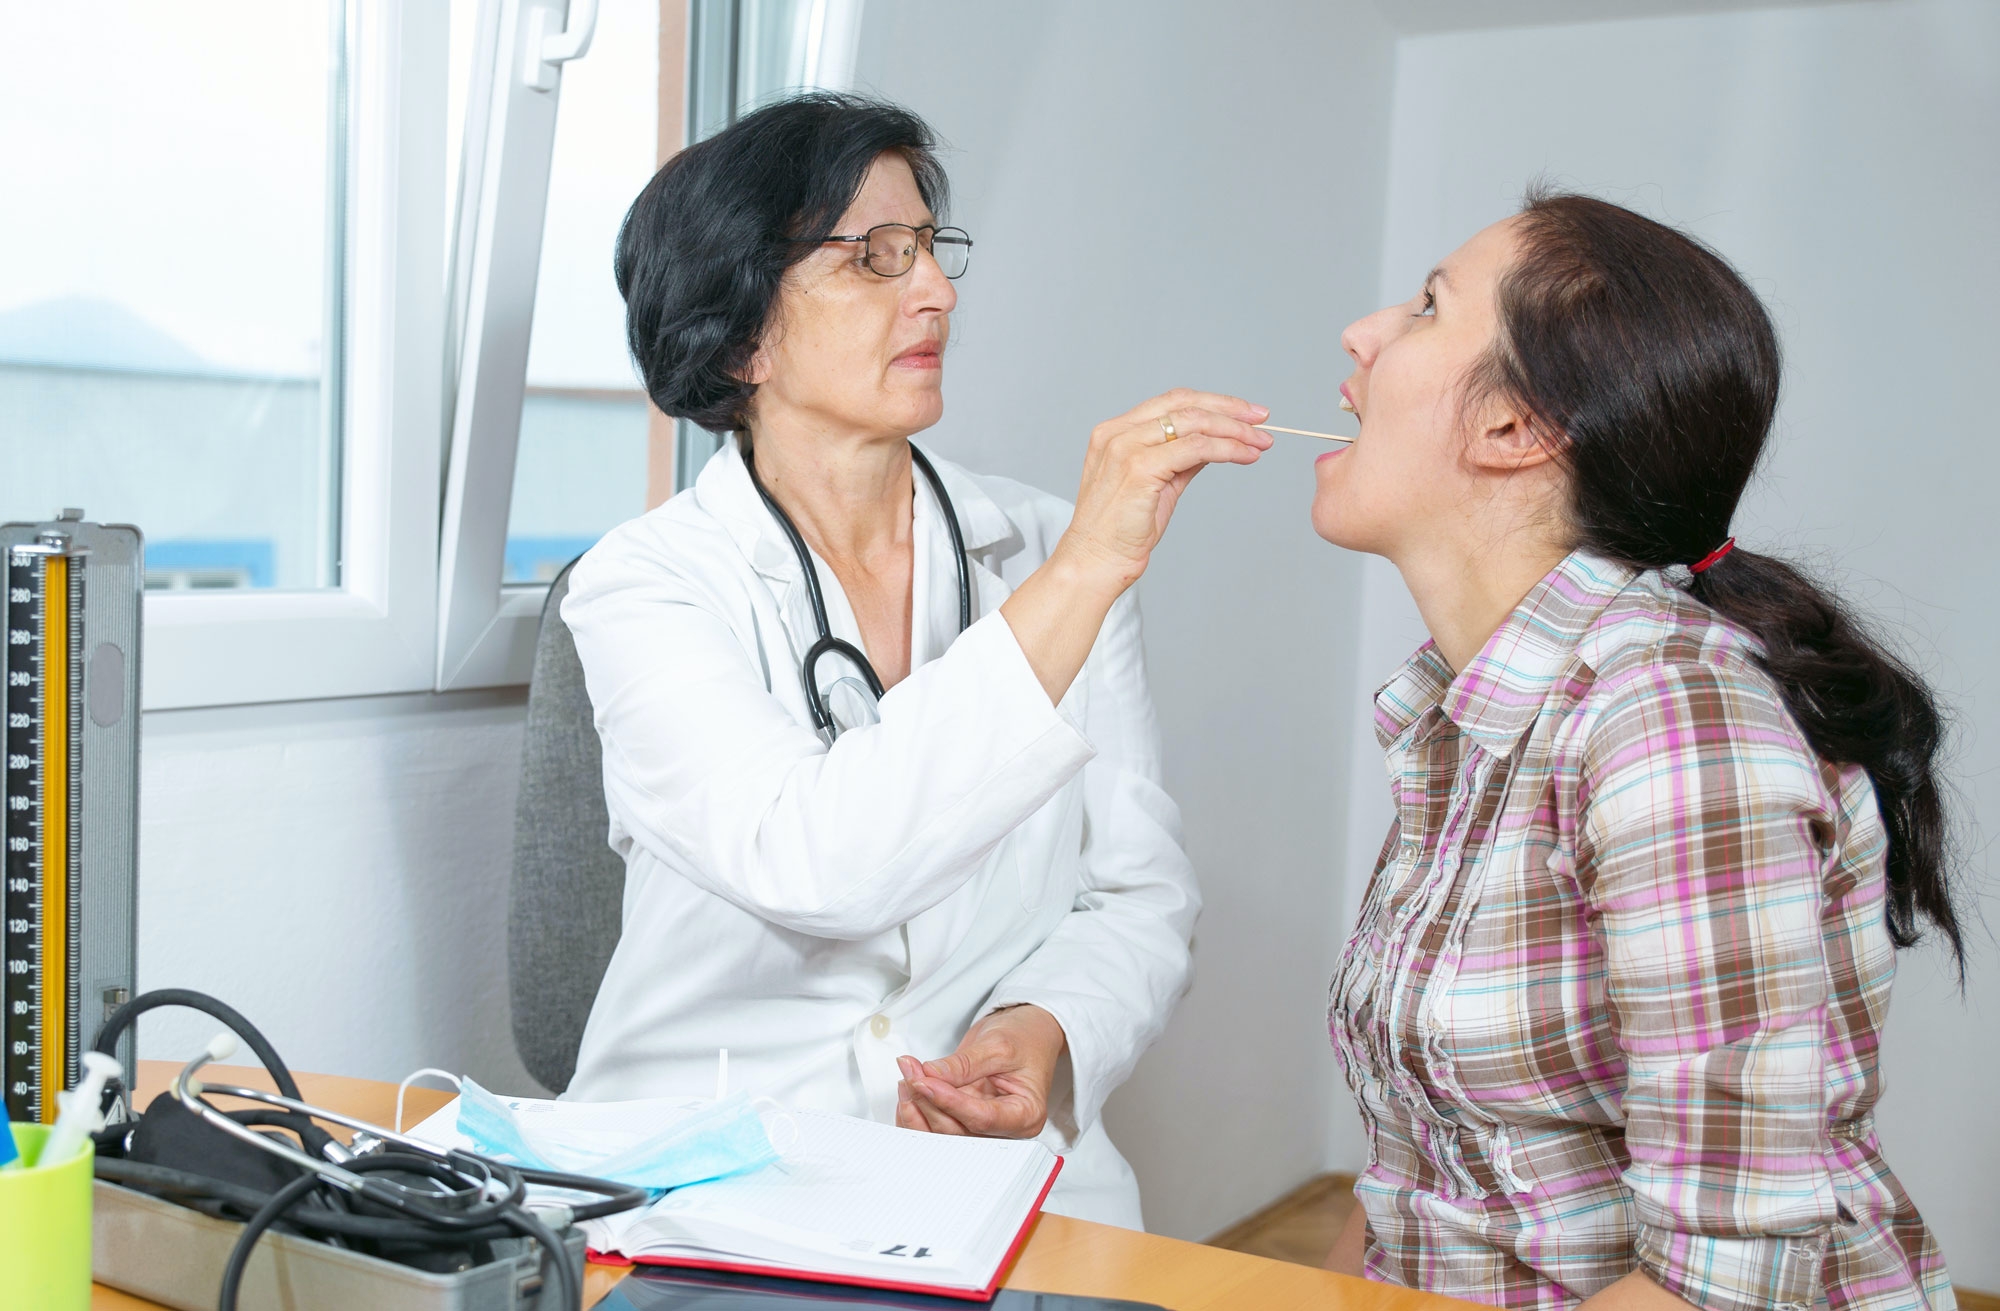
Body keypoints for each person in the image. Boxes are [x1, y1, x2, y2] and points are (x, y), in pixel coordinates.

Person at [557, 92, 1271, 1228]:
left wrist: (1042, 1026)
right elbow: (819, 863)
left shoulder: (1036, 544)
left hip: (993, 1175)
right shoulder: (645, 584)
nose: (936, 289)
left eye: (931, 248)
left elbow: (1137, 889)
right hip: (719, 1173)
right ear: (742, 336)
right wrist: (1086, 568)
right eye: (874, 258)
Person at [1316, 190, 1960, 1310]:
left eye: (1425, 308)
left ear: (1514, 427)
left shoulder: (1669, 719)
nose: (1360, 334)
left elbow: (1723, 1282)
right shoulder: (1472, 713)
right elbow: (1419, 1176)